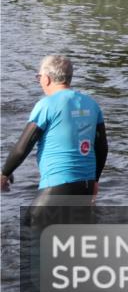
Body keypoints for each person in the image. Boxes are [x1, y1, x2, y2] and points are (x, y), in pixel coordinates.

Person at [1, 55, 109, 224]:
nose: (39, 81)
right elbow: (102, 148)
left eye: (39, 77)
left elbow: (23, 147)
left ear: (47, 78)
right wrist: (95, 180)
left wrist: (4, 174)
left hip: (57, 187)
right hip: (85, 188)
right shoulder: (92, 104)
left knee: (28, 233)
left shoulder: (46, 105)